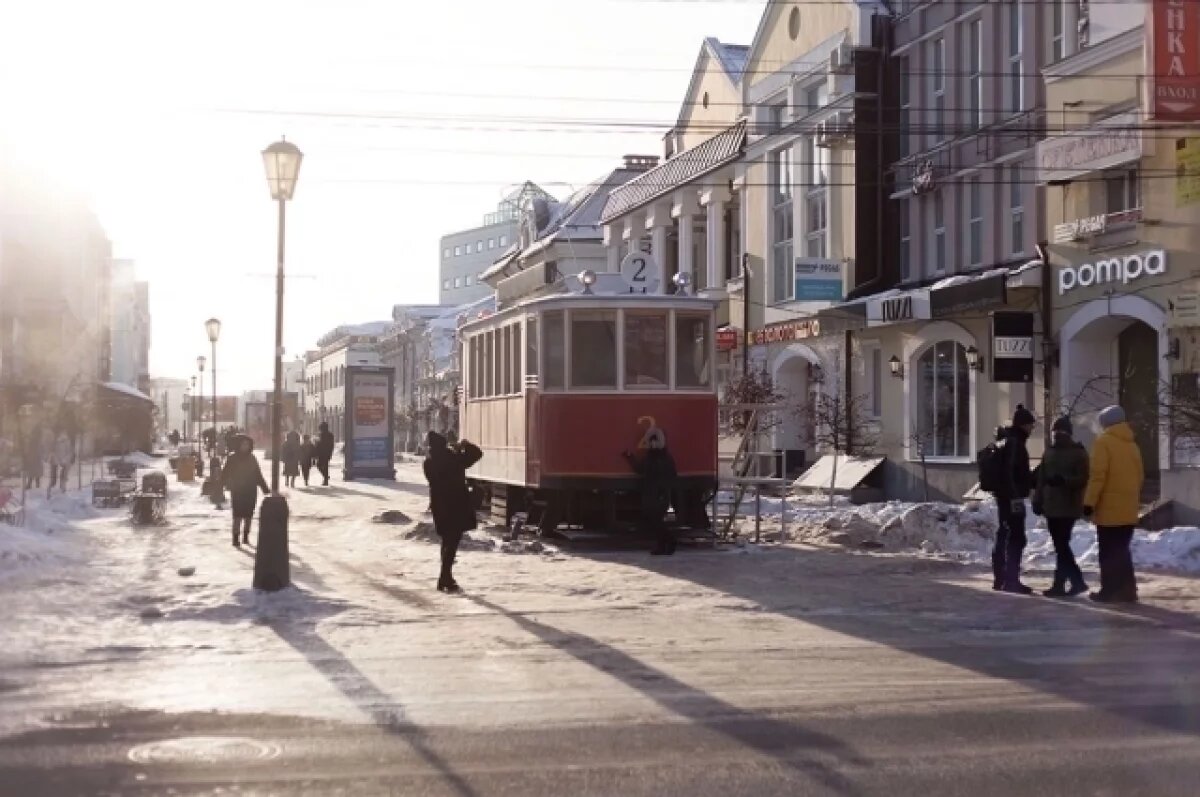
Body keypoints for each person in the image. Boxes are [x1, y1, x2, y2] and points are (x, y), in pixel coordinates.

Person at [1083, 405, 1145, 604]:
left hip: (1109, 509)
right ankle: (1128, 591)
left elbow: (1098, 476)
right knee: (1122, 551)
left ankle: (1109, 591)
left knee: (1108, 553)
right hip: (1128, 508)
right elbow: (1140, 477)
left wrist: (1089, 502)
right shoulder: (1132, 444)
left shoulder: (1104, 443)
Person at [1034, 417, 1090, 597]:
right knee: (1061, 546)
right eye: (1055, 431)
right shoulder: (1049, 452)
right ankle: (1071, 582)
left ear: (1068, 433)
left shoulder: (1078, 453)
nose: (1057, 435)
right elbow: (1041, 478)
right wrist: (1038, 499)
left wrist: (1064, 481)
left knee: (1061, 545)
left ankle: (1070, 582)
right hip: (1051, 506)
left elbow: (1083, 479)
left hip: (1068, 506)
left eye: (1060, 431)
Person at [423, 431, 483, 592]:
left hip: (439, 506)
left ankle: (446, 577)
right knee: (452, 541)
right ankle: (444, 577)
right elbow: (477, 454)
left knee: (447, 541)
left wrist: (454, 452)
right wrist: (464, 446)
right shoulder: (453, 459)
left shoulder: (428, 462)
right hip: (455, 504)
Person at [992, 405, 1037, 594]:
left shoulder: (1005, 440)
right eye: (1030, 425)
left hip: (1004, 497)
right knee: (1016, 537)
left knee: (1004, 534)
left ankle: (1001, 578)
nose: (1032, 429)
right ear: (1023, 425)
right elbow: (1012, 473)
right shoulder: (1015, 443)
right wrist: (1015, 496)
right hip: (1012, 498)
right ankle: (1011, 580)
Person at [623, 426, 678, 556]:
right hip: (655, 493)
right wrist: (630, 457)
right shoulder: (663, 458)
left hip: (657, 493)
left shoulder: (657, 458)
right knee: (656, 521)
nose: (652, 444)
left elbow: (641, 469)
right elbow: (640, 468)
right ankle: (665, 544)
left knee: (656, 521)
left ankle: (668, 542)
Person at [221, 435, 270, 547]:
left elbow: (258, 475)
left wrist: (265, 489)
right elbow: (225, 474)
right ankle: (235, 537)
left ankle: (246, 536)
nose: (245, 447)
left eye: (247, 444)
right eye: (243, 444)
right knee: (237, 515)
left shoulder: (252, 458)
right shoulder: (232, 458)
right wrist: (221, 486)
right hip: (237, 491)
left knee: (248, 515)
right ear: (239, 445)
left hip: (250, 491)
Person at [315, 421, 335, 486]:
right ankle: (326, 477)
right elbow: (331, 445)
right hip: (324, 453)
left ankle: (325, 479)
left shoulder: (324, 435)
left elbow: (320, 444)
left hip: (323, 453)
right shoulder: (329, 435)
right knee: (323, 466)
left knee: (320, 466)